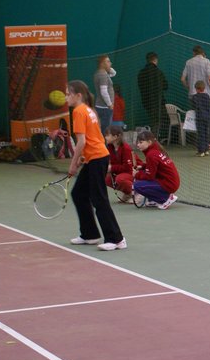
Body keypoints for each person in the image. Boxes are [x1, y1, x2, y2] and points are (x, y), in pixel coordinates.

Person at [65, 79, 126, 251]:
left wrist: (73, 164)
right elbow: (95, 137)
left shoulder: (79, 111)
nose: (66, 97)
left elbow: (82, 142)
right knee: (78, 193)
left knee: (99, 199)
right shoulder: (88, 110)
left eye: (68, 94)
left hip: (98, 159)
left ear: (78, 95)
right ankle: (89, 234)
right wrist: (83, 158)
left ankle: (116, 239)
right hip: (95, 158)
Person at [133, 130, 180, 210]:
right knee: (143, 177)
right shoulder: (155, 151)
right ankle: (153, 200)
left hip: (168, 184)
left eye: (141, 142)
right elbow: (154, 166)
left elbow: (149, 176)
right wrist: (142, 167)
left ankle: (166, 199)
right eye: (138, 143)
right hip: (171, 182)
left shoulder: (151, 154)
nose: (138, 145)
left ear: (149, 142)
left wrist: (136, 174)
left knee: (137, 185)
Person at [137, 51, 168, 138]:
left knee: (153, 120)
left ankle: (153, 138)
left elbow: (140, 86)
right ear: (155, 60)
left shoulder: (141, 73)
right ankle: (154, 139)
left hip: (146, 101)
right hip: (158, 102)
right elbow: (165, 86)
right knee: (157, 121)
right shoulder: (158, 72)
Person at [103, 125, 135, 201]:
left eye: (107, 135)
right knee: (106, 179)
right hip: (120, 173)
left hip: (131, 172)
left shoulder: (126, 148)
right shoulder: (110, 147)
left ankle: (136, 192)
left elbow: (127, 168)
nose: (105, 137)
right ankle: (128, 193)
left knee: (120, 179)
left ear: (115, 137)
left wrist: (111, 168)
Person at [93, 55, 117, 135]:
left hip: (101, 106)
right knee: (105, 131)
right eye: (108, 61)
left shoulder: (100, 73)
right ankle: (104, 143)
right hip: (105, 108)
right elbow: (103, 91)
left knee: (102, 129)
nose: (110, 63)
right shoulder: (102, 75)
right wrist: (109, 104)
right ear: (102, 63)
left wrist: (109, 68)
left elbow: (114, 73)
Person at [191, 80, 210, 157]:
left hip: (200, 118)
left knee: (201, 134)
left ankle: (201, 151)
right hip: (208, 117)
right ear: (204, 88)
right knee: (206, 133)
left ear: (196, 89)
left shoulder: (195, 97)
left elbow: (194, 106)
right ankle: (206, 150)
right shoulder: (207, 96)